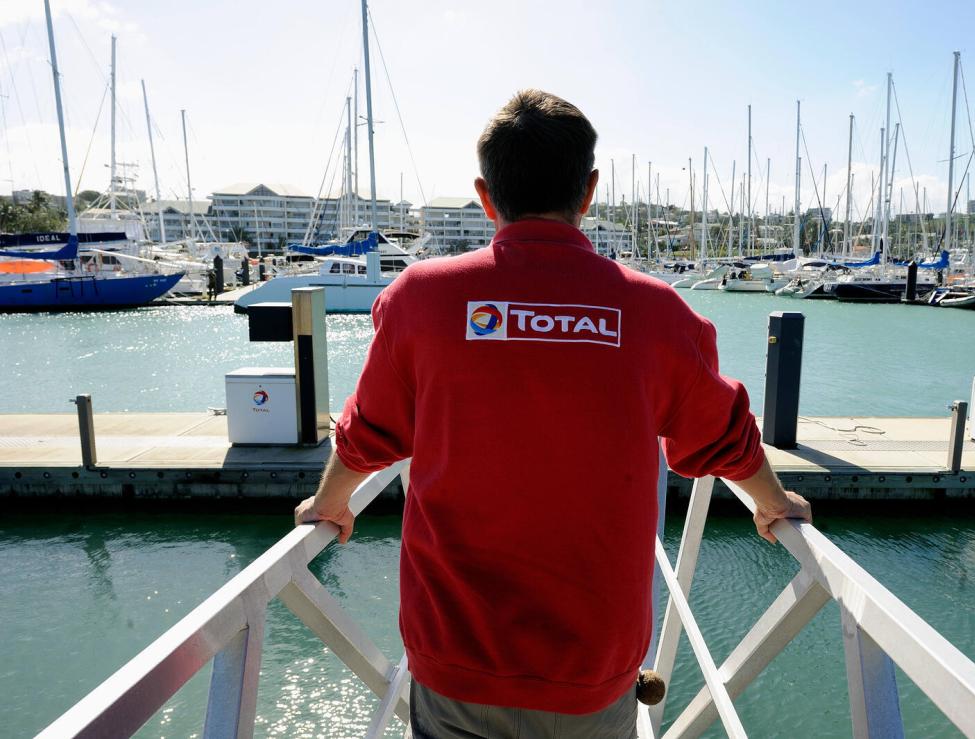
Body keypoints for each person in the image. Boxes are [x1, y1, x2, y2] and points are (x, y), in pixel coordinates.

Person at [295, 89, 811, 739]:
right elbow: (724, 436)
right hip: (589, 674)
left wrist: (329, 503)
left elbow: (369, 433)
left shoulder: (419, 300)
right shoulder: (656, 314)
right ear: (588, 191)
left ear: (486, 197)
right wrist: (772, 501)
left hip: (455, 664)